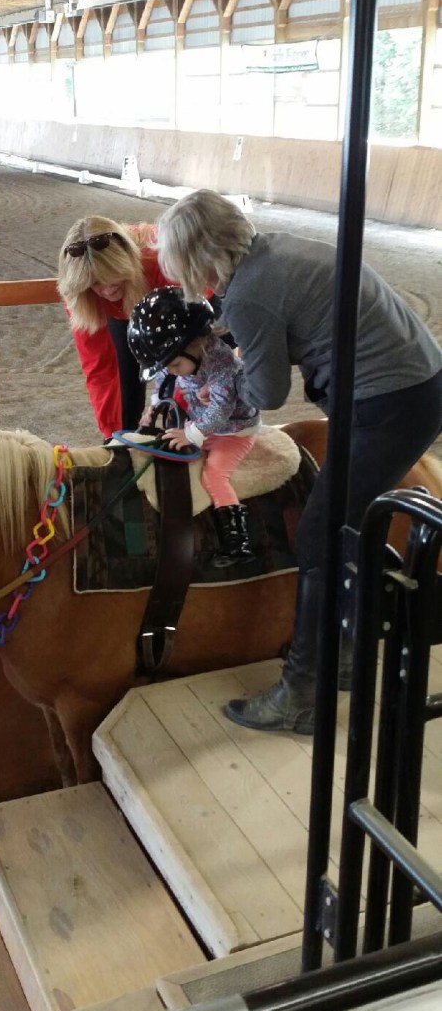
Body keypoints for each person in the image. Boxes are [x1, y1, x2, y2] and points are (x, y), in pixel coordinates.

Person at [156, 189, 442, 734]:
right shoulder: (275, 250)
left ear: (199, 257)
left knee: (319, 535)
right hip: (414, 385)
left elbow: (267, 393)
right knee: (345, 522)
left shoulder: (250, 292)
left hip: (388, 403)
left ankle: (302, 693)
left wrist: (229, 373)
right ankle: (347, 653)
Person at [128, 286, 260, 565]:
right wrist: (155, 405)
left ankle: (237, 541)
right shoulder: (182, 358)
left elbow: (221, 409)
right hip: (201, 420)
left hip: (233, 431)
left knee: (214, 475)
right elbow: (165, 379)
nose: (172, 370)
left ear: (196, 343)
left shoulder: (223, 363)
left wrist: (191, 433)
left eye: (175, 364)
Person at [57, 215, 174, 439]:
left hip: (172, 293)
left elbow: (196, 346)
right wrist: (114, 436)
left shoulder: (161, 259)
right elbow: (100, 368)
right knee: (124, 394)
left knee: (180, 394)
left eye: (113, 276)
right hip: (124, 309)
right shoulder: (81, 296)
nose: (108, 289)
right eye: (96, 283)